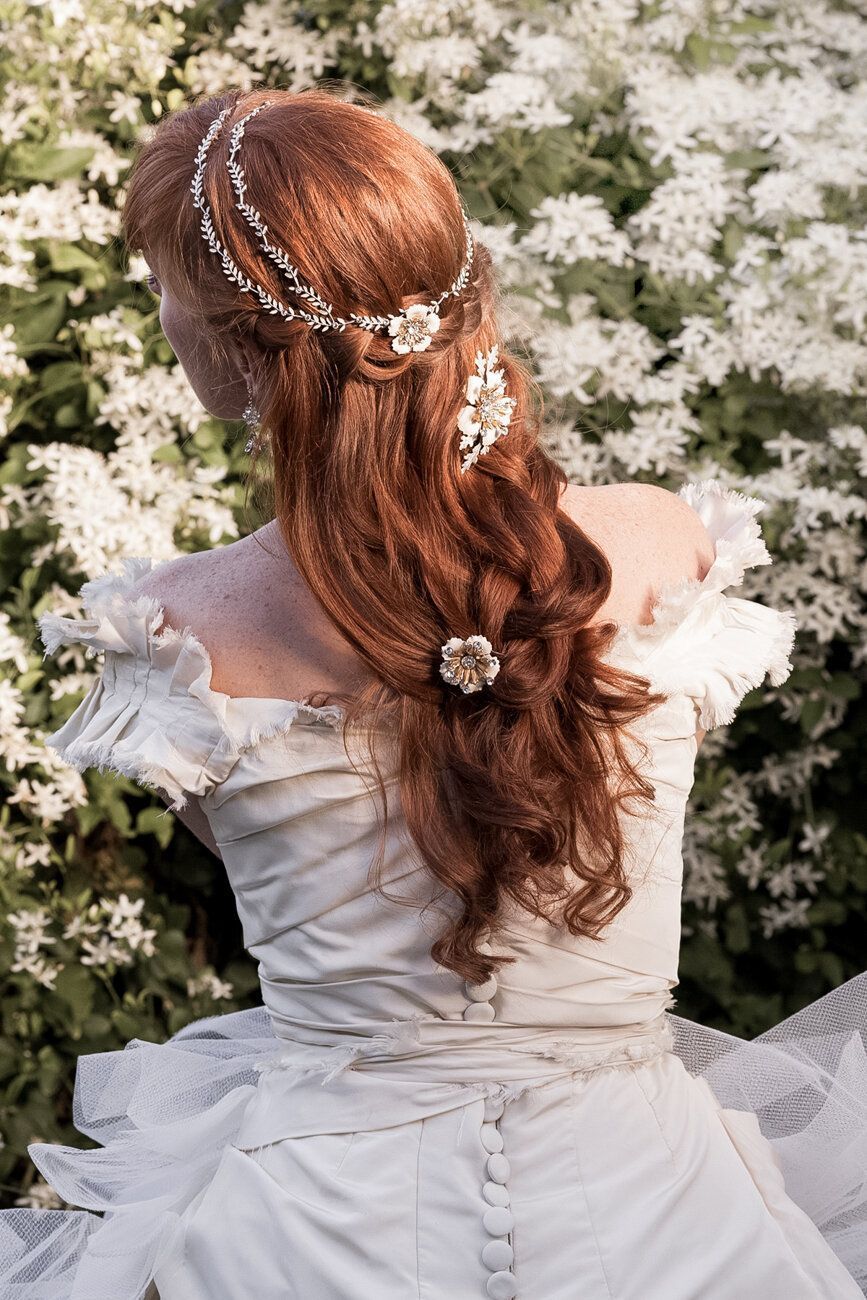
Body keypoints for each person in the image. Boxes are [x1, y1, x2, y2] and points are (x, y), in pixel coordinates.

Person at [1, 85, 865, 1300]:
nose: (158, 314)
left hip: (314, 1232)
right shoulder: (658, 547)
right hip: (662, 1216)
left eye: (169, 291)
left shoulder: (177, 631)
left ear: (247, 350)